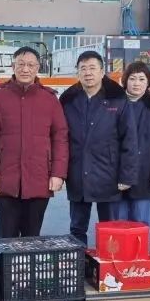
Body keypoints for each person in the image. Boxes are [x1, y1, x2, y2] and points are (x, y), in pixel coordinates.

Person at [0, 46, 69, 237]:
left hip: (39, 178)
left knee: (32, 237)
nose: (25, 69)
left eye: (30, 65)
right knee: (7, 237)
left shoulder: (49, 99)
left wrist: (58, 174)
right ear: (13, 66)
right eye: (21, 64)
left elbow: (60, 138)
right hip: (5, 181)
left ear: (38, 68)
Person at [59, 51, 138, 244]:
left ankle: (107, 262)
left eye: (92, 68)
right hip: (77, 172)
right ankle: (79, 261)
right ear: (77, 73)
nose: (88, 73)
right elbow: (60, 138)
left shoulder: (117, 99)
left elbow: (129, 140)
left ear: (102, 72)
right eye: (83, 69)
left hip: (108, 173)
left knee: (109, 228)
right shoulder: (68, 100)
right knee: (77, 227)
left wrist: (126, 176)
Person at [114, 61, 150, 224]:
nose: (136, 83)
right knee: (118, 223)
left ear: (148, 82)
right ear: (125, 81)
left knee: (141, 222)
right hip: (116, 173)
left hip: (144, 174)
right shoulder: (114, 104)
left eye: (141, 79)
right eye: (132, 79)